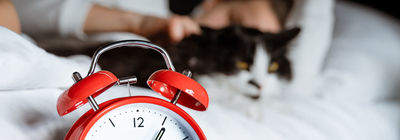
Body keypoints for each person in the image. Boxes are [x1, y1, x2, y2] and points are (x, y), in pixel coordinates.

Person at [10, 0, 291, 43]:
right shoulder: (149, 7)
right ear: (213, 1)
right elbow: (18, 10)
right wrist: (139, 23)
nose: (229, 40)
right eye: (232, 22)